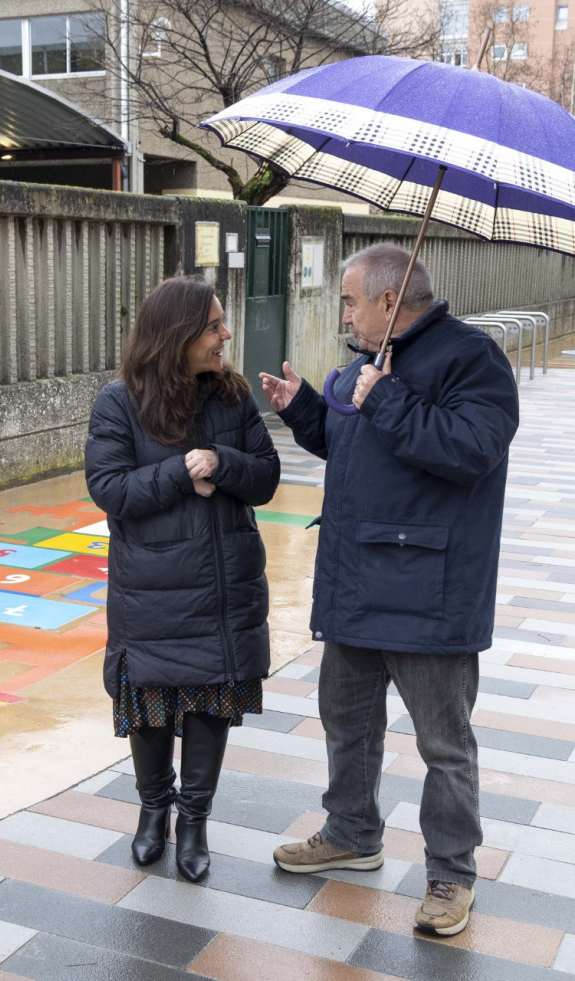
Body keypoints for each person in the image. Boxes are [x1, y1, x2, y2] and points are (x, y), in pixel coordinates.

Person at [259, 243, 518, 936]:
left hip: (427, 589)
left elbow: (470, 450)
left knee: (442, 742)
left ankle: (450, 873)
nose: (342, 311)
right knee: (346, 720)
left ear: (385, 299)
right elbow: (356, 445)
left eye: (349, 300)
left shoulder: (471, 359)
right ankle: (350, 831)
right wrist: (306, 411)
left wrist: (391, 399)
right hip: (353, 581)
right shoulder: (363, 363)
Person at [85, 275, 280, 882]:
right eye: (214, 326)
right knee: (149, 700)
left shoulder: (233, 397)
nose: (226, 334)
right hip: (153, 585)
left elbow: (268, 477)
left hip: (223, 584)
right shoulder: (119, 401)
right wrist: (177, 474)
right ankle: (152, 813)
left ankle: (194, 820)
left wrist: (223, 464)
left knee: (208, 702)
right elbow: (108, 488)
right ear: (178, 335)